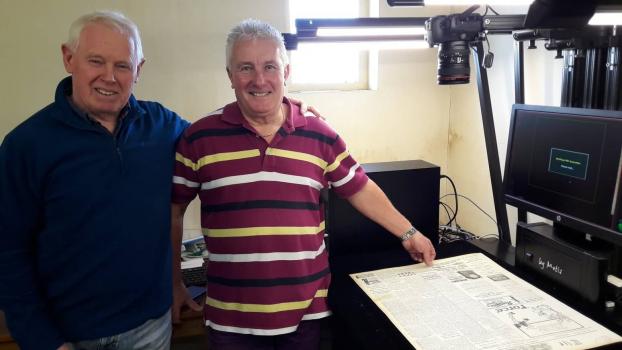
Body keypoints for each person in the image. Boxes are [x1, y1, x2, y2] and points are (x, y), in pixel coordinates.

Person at [0, 11, 316, 350]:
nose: (109, 77)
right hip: (67, 334)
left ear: (138, 70)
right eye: (96, 61)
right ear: (68, 58)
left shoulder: (164, 127)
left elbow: (221, 137)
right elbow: (9, 253)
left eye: (122, 65)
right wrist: (43, 341)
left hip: (150, 329)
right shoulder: (25, 146)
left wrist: (280, 108)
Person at [170, 18, 437, 350]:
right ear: (229, 75)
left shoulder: (318, 134)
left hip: (304, 317)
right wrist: (174, 281)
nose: (259, 79)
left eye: (270, 66)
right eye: (245, 68)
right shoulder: (199, 138)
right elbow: (175, 210)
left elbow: (358, 186)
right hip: (230, 320)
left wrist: (409, 232)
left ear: (286, 73)